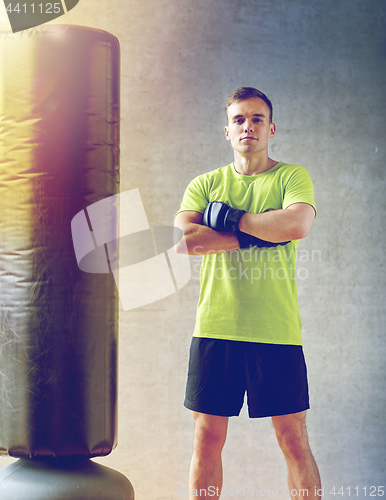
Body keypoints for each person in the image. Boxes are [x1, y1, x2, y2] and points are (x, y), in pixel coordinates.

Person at [174, 87, 321, 500]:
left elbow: (296, 225)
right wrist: (259, 235)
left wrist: (230, 219)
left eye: (257, 119)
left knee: (293, 440)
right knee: (206, 437)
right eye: (239, 119)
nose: (248, 126)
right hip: (215, 326)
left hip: (275, 329)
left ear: (270, 128)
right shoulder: (206, 183)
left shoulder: (292, 176)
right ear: (227, 131)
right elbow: (185, 239)